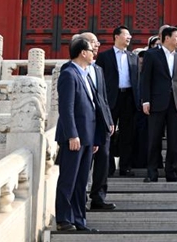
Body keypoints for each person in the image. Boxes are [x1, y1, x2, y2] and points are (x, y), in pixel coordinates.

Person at [55, 37, 108, 232]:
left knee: (81, 182)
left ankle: (79, 220)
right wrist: (72, 135)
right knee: (68, 179)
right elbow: (66, 109)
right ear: (82, 52)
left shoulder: (85, 74)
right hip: (74, 137)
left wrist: (94, 137)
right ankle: (63, 219)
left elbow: (94, 106)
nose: (94, 52)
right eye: (90, 50)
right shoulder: (69, 74)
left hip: (88, 136)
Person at [140, 26, 177, 182]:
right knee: (154, 139)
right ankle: (152, 173)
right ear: (166, 38)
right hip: (156, 102)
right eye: (176, 37)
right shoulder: (151, 55)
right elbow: (145, 79)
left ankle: (172, 172)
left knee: (174, 140)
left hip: (176, 103)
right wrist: (145, 100)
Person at [77, 32, 115, 212]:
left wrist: (109, 120)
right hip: (85, 122)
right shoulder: (75, 69)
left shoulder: (98, 69)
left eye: (97, 42)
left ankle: (98, 197)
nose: (97, 45)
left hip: (101, 122)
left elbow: (103, 98)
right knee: (85, 161)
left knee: (104, 159)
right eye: (92, 42)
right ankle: (80, 198)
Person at [97, 26, 140, 177]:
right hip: (111, 99)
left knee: (127, 134)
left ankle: (125, 167)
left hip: (129, 97)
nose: (129, 38)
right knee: (108, 133)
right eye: (126, 35)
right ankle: (107, 167)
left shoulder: (133, 57)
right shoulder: (104, 57)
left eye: (130, 36)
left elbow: (137, 80)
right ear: (116, 36)